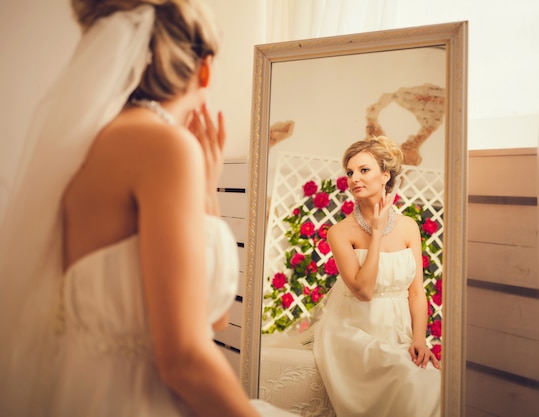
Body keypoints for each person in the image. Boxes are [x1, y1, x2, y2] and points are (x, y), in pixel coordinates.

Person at [0, 1, 297, 416]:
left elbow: (208, 319)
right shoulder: (164, 147)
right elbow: (183, 359)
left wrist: (205, 195)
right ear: (205, 68)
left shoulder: (87, 146)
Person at [312, 136, 441, 417]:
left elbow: (417, 292)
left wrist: (420, 339)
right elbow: (364, 291)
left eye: (364, 170)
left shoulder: (409, 227)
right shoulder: (340, 232)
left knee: (434, 379)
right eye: (350, 172)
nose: (354, 178)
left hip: (401, 331)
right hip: (354, 330)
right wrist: (377, 231)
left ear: (385, 175)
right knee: (409, 378)